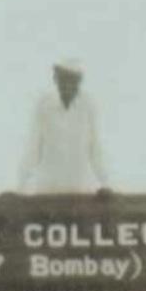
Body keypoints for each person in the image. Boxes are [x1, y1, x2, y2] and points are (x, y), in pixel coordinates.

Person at [17, 59, 111, 195]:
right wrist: (21, 185)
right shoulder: (44, 105)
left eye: (72, 80)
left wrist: (106, 183)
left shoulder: (88, 105)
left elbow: (96, 147)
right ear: (56, 80)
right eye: (63, 79)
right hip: (49, 188)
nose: (67, 85)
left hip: (80, 188)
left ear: (79, 82)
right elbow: (33, 147)